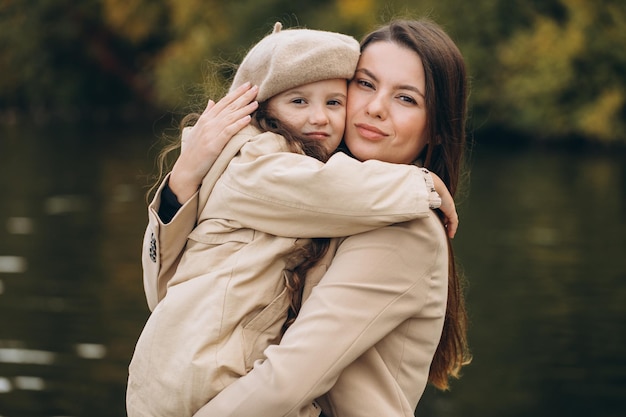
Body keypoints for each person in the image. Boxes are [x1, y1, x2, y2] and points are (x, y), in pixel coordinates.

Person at [127, 22, 456, 417]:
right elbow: (167, 297)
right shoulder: (303, 196)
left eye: (405, 98)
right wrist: (185, 179)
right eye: (366, 84)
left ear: (435, 130)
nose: (375, 107)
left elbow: (285, 381)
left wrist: (420, 184)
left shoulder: (406, 229)